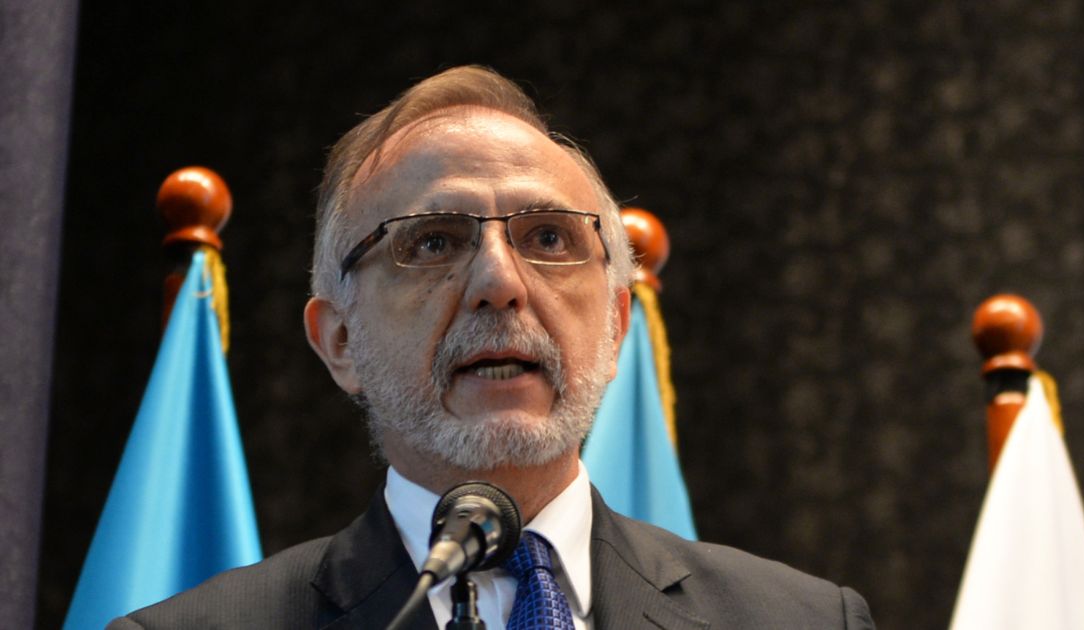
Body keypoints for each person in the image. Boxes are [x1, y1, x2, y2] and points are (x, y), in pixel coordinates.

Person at [110, 66, 874, 629]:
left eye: (550, 238)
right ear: (339, 341)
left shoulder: (807, 621)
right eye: (433, 241)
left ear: (616, 325)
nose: (500, 284)